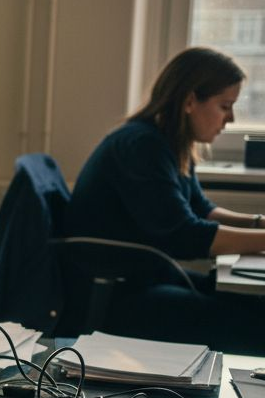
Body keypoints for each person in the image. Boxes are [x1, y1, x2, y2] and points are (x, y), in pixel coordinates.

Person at [66, 46, 265, 353]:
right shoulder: (142, 146)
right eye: (225, 106)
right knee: (252, 323)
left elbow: (201, 210)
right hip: (115, 296)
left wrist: (257, 224)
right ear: (189, 100)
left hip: (144, 278)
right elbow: (184, 235)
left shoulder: (168, 142)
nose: (231, 118)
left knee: (253, 305)